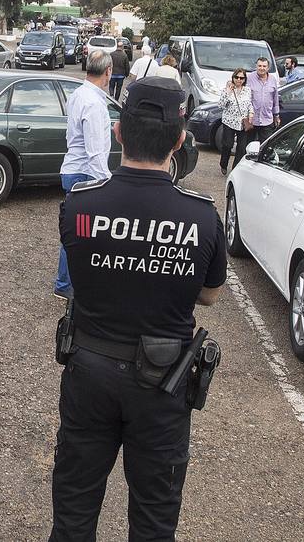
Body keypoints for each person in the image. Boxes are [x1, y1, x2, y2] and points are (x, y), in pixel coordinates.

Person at [52, 77, 225, 542]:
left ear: (118, 133)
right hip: (162, 381)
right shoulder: (203, 216)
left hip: (89, 368)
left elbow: (81, 273)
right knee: (154, 517)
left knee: (74, 504)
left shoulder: (81, 204)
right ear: (180, 140)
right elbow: (208, 295)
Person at [56, 51, 113, 301]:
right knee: (82, 234)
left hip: (74, 169)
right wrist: (107, 182)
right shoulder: (92, 102)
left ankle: (67, 283)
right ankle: (68, 285)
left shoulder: (80, 94)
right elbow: (95, 150)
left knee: (76, 231)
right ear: (108, 71)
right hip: (85, 174)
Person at [216, 69, 254, 176]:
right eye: (237, 77)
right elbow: (221, 105)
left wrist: (251, 113)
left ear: (244, 79)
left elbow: (249, 104)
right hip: (229, 121)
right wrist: (228, 91)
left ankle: (235, 170)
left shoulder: (247, 90)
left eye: (241, 78)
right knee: (228, 144)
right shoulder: (227, 89)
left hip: (242, 122)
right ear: (233, 77)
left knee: (241, 147)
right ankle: (223, 164)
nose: (239, 80)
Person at [247, 56, 281, 143]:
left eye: (264, 66)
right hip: (251, 120)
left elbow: (275, 98)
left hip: (267, 120)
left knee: (265, 147)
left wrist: (276, 115)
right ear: (256, 66)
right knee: (248, 146)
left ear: (268, 68)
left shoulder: (273, 79)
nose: (262, 68)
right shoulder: (249, 78)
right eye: (260, 66)